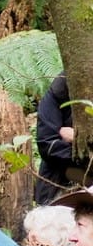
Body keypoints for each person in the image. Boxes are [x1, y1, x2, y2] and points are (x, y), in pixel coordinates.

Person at [36, 72, 89, 205]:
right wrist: (83, 147)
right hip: (56, 186)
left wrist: (74, 138)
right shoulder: (59, 92)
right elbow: (47, 145)